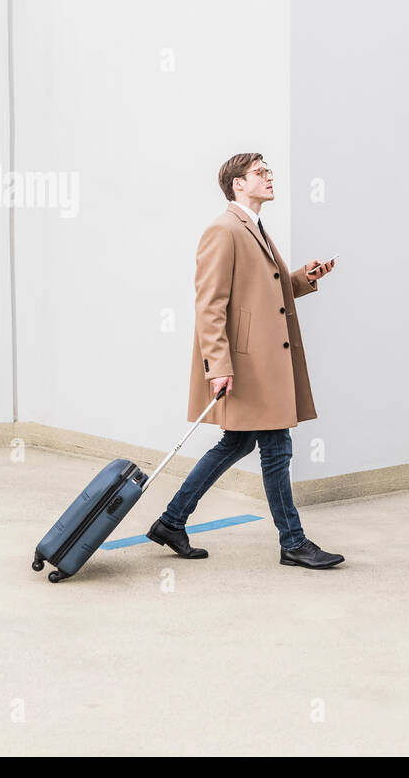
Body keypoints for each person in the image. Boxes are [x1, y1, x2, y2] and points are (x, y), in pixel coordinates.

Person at [146, 152, 344, 568]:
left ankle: (171, 521)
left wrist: (303, 279)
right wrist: (217, 366)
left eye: (268, 171)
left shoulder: (254, 227)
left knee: (238, 442)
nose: (270, 177)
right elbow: (210, 305)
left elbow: (264, 292)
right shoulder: (223, 230)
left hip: (262, 364)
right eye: (260, 173)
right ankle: (293, 542)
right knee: (276, 447)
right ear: (238, 183)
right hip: (246, 365)